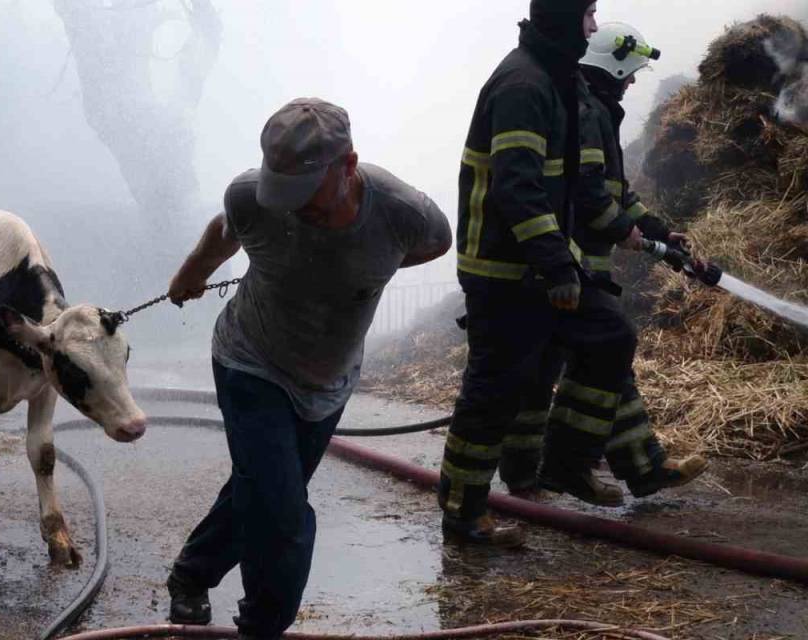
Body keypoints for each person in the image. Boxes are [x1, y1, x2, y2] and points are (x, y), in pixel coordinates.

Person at [163, 97, 452, 639]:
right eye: (284, 193)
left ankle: (191, 575)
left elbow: (435, 245)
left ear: (348, 166)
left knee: (267, 490)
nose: (293, 209)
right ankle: (263, 626)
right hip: (250, 361)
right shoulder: (251, 198)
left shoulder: (401, 211)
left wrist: (365, 267)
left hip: (328, 381)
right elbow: (223, 234)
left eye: (307, 195)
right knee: (282, 516)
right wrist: (189, 276)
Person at [436, 0, 645, 547]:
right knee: (494, 392)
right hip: (503, 271)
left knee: (610, 336)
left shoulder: (560, 79)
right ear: (561, 17)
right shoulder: (522, 85)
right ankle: (463, 512)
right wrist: (558, 263)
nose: (594, 26)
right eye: (588, 14)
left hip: (546, 264)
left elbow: (580, 180)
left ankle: (567, 463)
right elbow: (516, 186)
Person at [498, 22, 707, 499]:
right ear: (611, 70)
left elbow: (613, 189)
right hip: (564, 262)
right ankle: (543, 474)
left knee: (603, 360)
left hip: (580, 262)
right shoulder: (585, 112)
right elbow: (589, 195)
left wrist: (655, 230)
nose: (634, 81)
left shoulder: (598, 110)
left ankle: (640, 466)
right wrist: (624, 231)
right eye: (630, 72)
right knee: (571, 359)